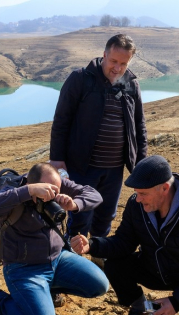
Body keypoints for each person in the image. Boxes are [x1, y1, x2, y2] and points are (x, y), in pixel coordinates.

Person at [71, 155, 179, 315]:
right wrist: (91, 245)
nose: (137, 199)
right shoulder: (136, 206)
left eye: (143, 193)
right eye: (136, 193)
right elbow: (123, 242)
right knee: (114, 264)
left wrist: (176, 302)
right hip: (154, 268)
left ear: (164, 188)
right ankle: (140, 308)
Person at [0, 163, 109, 315]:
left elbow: (95, 195)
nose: (52, 196)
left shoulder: (56, 183)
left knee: (99, 285)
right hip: (24, 269)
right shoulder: (13, 189)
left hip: (58, 259)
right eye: (48, 192)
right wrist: (29, 191)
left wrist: (74, 204)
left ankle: (48, 291)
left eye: (55, 191)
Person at [49, 34, 147, 244]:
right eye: (113, 61)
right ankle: (73, 259)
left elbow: (139, 127)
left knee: (105, 216)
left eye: (123, 63)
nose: (117, 68)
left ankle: (99, 256)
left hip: (114, 169)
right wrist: (56, 159)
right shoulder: (80, 79)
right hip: (82, 167)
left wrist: (141, 164)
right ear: (104, 55)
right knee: (80, 215)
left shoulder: (131, 85)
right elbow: (61, 120)